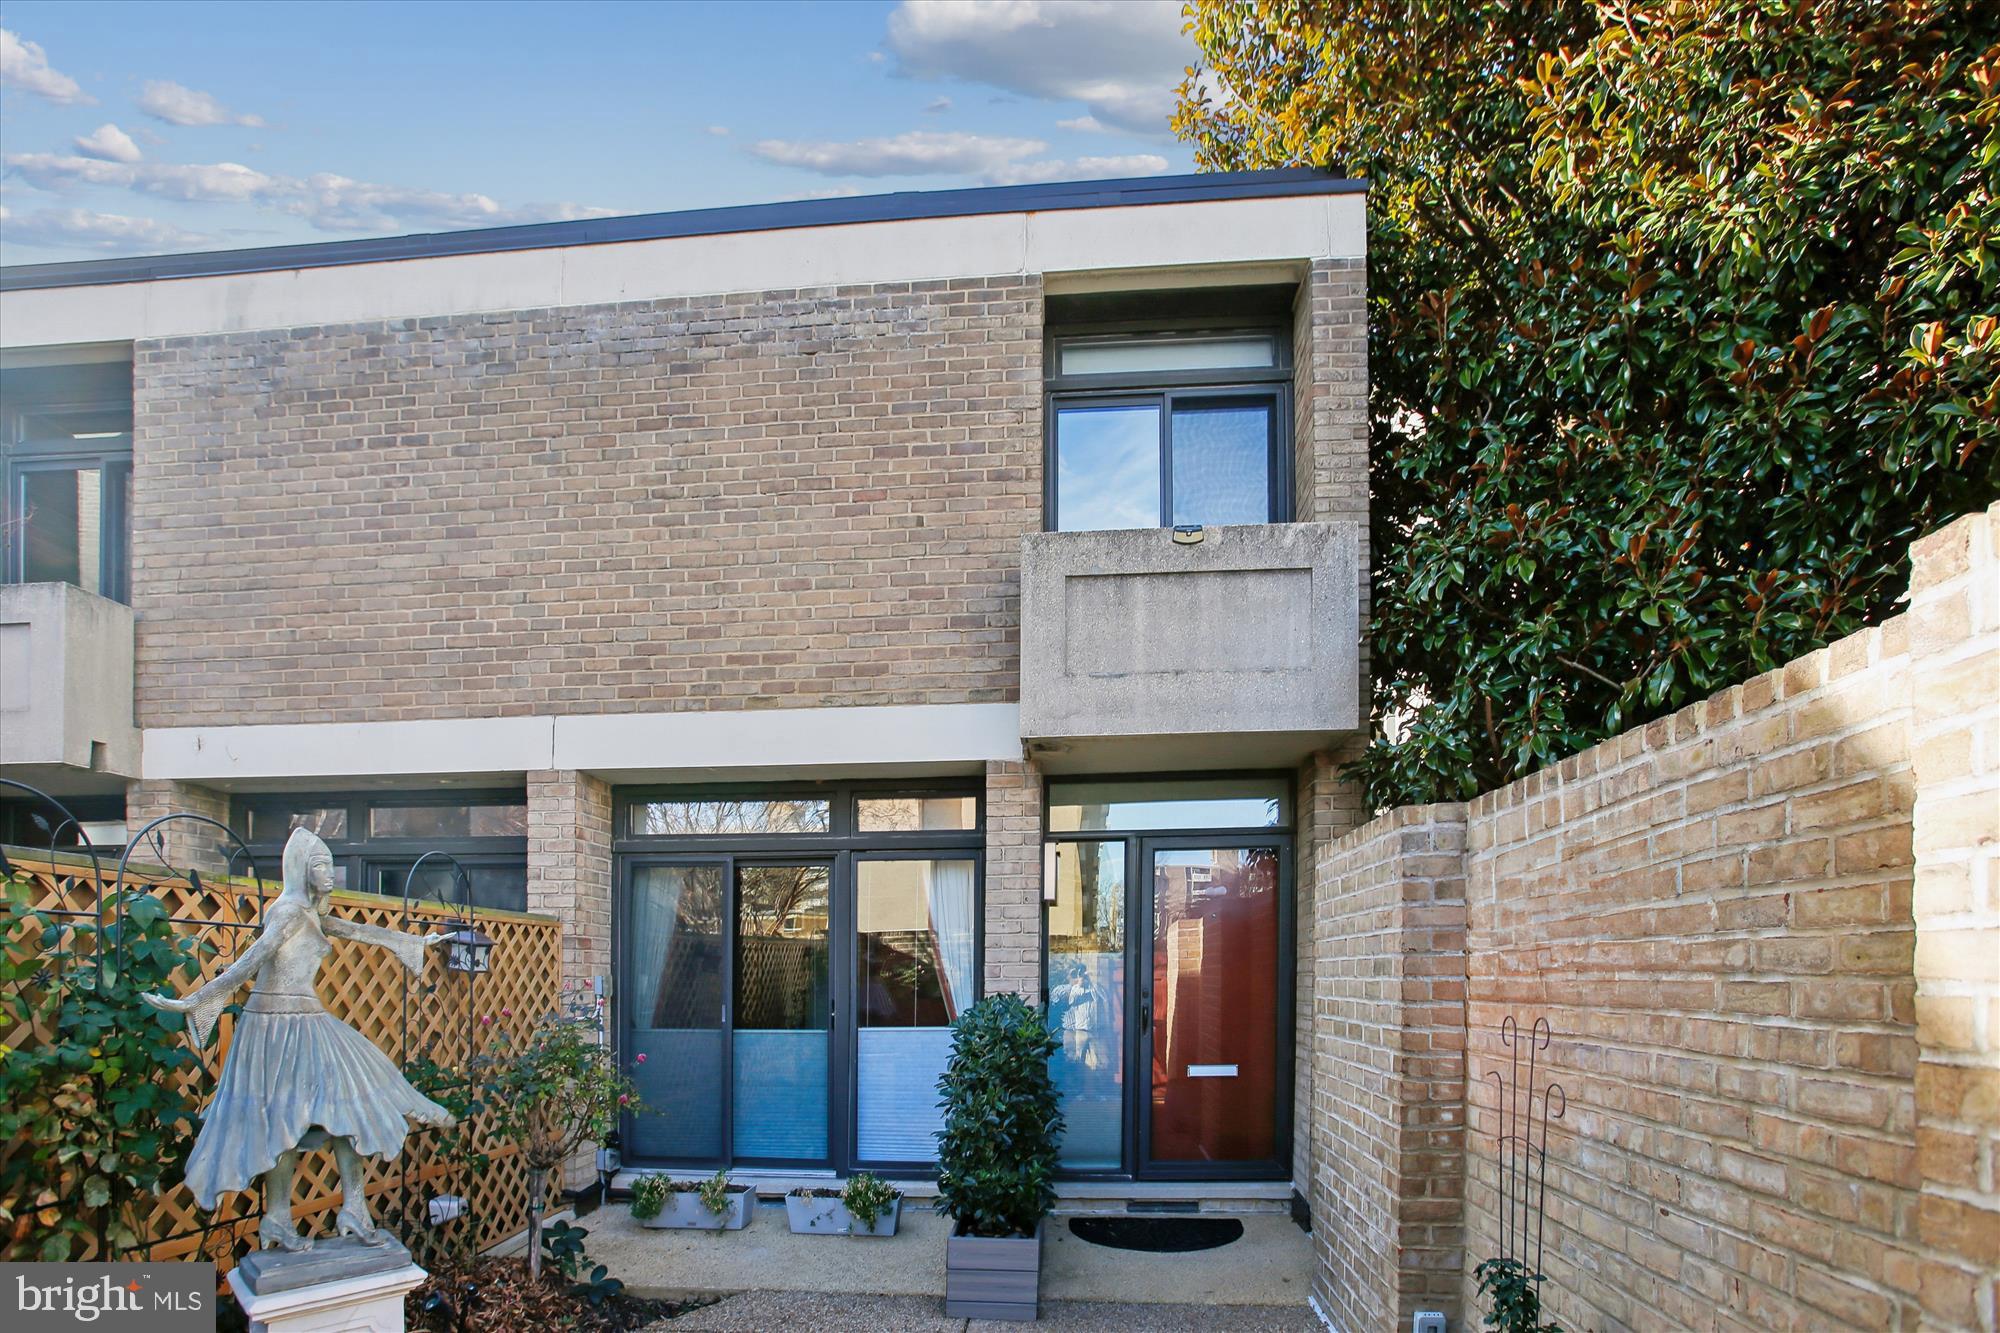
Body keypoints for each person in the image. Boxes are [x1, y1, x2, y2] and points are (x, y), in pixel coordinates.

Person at [144, 827, 454, 1251]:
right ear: (301, 870)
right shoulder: (287, 912)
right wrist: (201, 998)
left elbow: (359, 932)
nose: (328, 875)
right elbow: (253, 959)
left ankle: (353, 1207)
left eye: (329, 866)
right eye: (320, 866)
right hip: (275, 1025)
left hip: (306, 1018)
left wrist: (415, 941)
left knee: (349, 1104)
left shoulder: (309, 913)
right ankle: (277, 1218)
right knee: (284, 1121)